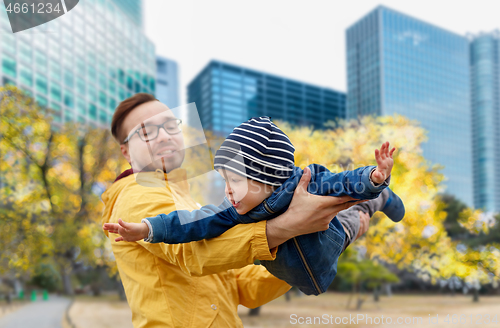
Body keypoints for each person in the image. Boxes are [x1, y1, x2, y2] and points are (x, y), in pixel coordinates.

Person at [102, 94, 372, 328]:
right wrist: (289, 225)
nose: (164, 135)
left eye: (170, 125)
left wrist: (312, 244)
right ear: (126, 151)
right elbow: (191, 253)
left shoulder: (184, 199)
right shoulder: (136, 195)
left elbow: (244, 286)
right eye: (147, 131)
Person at [104, 116, 405, 296]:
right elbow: (190, 222)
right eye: (223, 180)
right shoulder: (231, 210)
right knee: (352, 211)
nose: (227, 192)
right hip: (307, 272)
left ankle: (381, 197)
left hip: (331, 239)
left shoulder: (306, 180)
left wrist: (374, 177)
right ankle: (374, 199)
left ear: (266, 177)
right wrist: (147, 228)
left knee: (353, 209)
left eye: (233, 180)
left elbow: (344, 181)